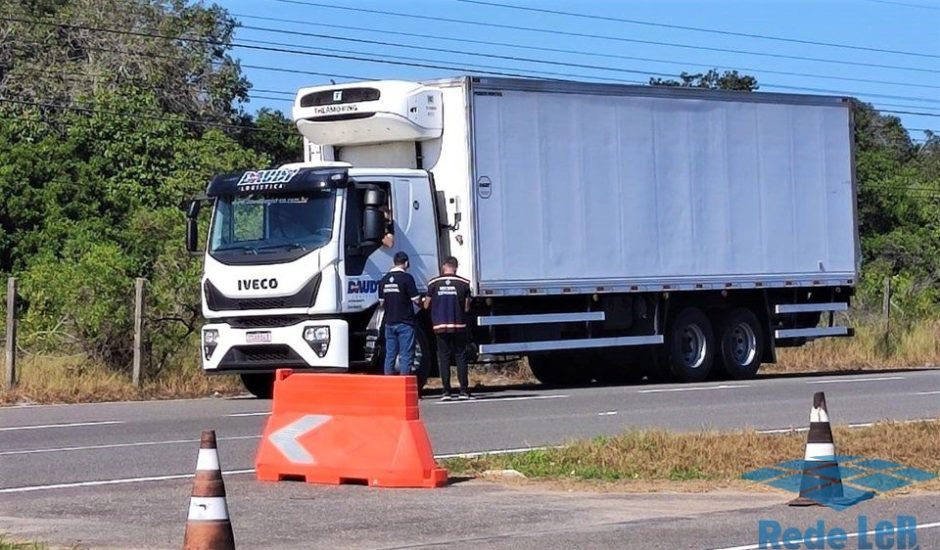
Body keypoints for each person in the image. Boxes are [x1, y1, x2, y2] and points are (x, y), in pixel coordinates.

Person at [424, 256, 473, 400]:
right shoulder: (464, 283)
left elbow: (426, 305)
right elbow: (466, 306)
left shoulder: (433, 283)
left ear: (443, 266)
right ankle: (463, 390)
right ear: (456, 267)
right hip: (458, 325)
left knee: (443, 357)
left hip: (440, 325)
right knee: (460, 357)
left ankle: (446, 391)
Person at [378, 251, 421, 376]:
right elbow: (416, 300)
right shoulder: (407, 278)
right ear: (406, 263)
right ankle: (403, 383)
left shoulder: (384, 280)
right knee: (406, 355)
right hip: (405, 322)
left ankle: (389, 385)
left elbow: (381, 303)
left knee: (390, 354)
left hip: (389, 322)